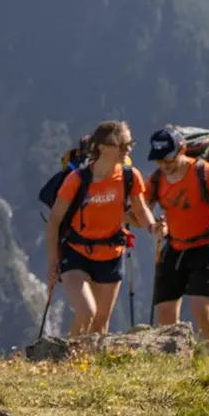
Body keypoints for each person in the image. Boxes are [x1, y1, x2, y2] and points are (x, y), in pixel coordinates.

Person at [45, 121, 154, 336]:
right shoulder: (76, 180)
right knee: (87, 313)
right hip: (76, 252)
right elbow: (55, 220)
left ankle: (88, 366)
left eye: (129, 144)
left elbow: (141, 211)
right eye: (122, 145)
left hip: (112, 253)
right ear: (102, 147)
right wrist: (52, 261)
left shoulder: (130, 177)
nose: (128, 149)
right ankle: (69, 356)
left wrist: (153, 226)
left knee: (100, 326)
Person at [147, 126, 209, 354]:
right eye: (159, 161)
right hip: (175, 245)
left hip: (207, 245)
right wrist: (153, 224)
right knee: (164, 310)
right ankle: (175, 360)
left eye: (168, 160)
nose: (164, 165)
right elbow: (141, 210)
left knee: (200, 307)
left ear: (181, 149)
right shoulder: (158, 178)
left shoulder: (205, 172)